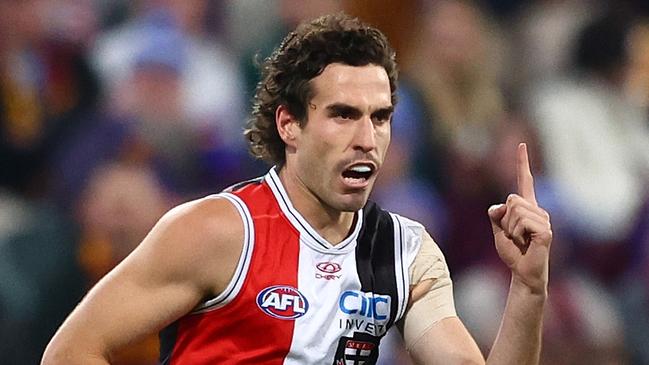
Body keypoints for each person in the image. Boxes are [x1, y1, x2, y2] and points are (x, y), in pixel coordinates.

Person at [42, 13, 552, 364]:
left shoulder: (408, 254)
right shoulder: (217, 232)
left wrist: (528, 289)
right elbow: (70, 351)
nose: (366, 139)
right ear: (289, 125)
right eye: (343, 115)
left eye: (380, 118)